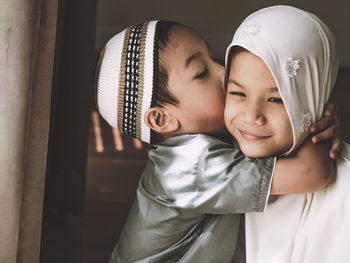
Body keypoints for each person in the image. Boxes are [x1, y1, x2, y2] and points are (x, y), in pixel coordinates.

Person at [94, 20, 341, 262]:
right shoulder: (190, 169)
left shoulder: (198, 145)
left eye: (212, 57)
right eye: (202, 73)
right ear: (162, 118)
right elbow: (311, 173)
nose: (224, 72)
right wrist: (315, 123)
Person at [224, 5, 350, 263]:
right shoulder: (215, 155)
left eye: (275, 100)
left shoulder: (345, 194)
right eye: (238, 93)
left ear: (314, 99)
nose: (251, 116)